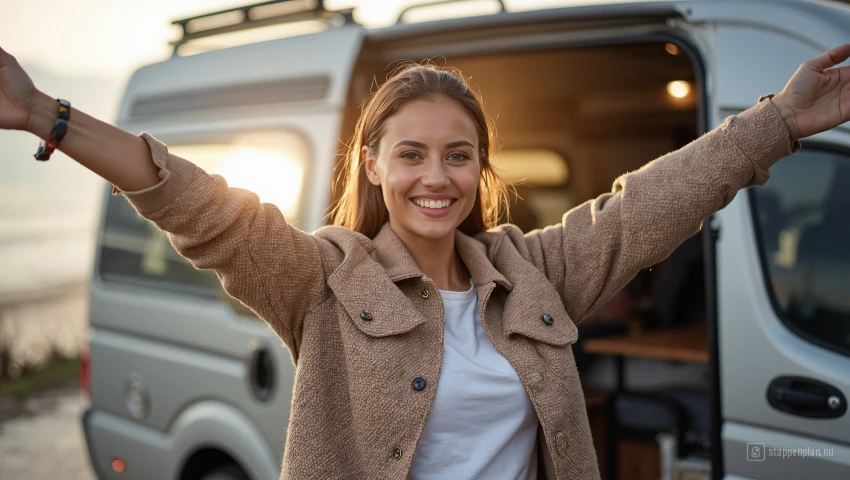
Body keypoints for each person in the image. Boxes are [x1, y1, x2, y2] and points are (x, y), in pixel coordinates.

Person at [1, 43, 848, 479]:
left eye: (457, 155)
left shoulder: (531, 272)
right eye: (411, 155)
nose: (434, 178)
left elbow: (648, 206)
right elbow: (188, 199)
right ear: (371, 164)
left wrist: (777, 121)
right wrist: (46, 113)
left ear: (480, 167)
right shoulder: (322, 280)